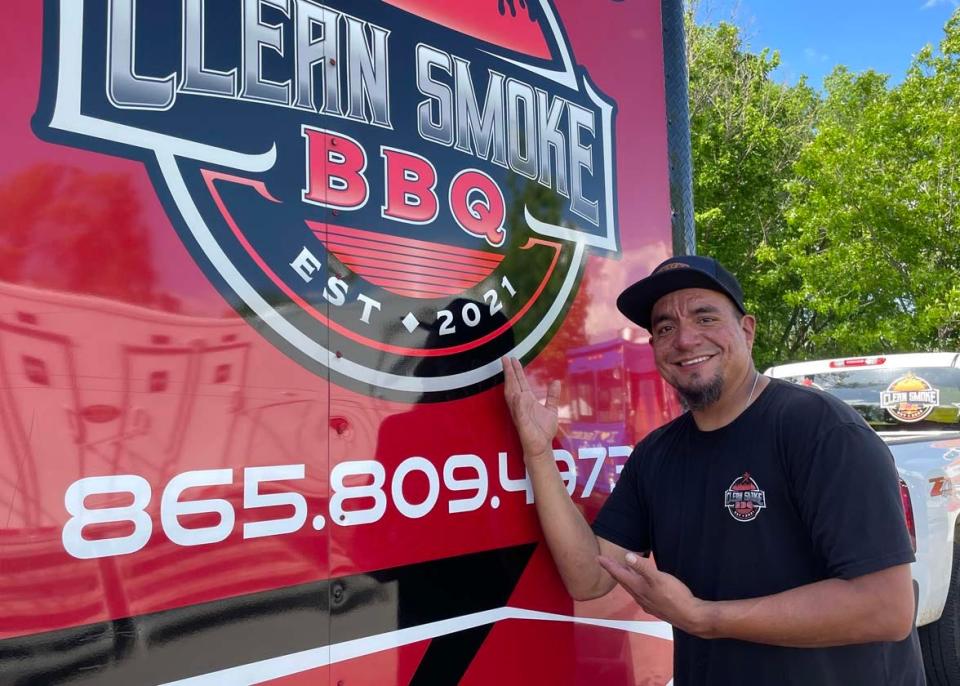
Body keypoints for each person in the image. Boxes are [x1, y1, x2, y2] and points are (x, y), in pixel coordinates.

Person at [501, 255, 925, 685]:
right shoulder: (656, 456)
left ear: (747, 330)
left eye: (705, 317)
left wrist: (705, 618)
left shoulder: (821, 430)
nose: (685, 339)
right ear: (655, 350)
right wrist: (538, 453)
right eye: (665, 327)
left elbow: (885, 608)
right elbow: (589, 578)